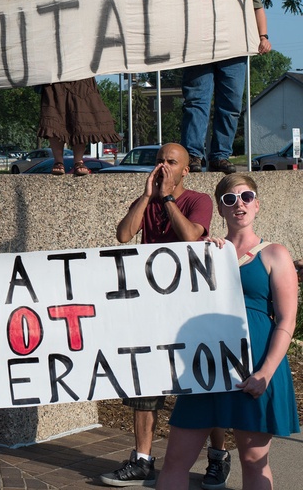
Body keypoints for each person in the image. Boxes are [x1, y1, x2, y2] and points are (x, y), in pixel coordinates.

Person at [156, 174, 300, 490]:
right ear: (220, 210)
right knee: (175, 461)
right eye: (229, 199)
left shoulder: (275, 254)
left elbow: (286, 321)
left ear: (257, 204)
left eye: (246, 197)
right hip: (206, 368)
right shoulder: (204, 254)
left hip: (257, 367)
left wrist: (265, 372)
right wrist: (201, 260)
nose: (239, 205)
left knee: (253, 462)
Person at [100, 143, 216, 487]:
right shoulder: (149, 201)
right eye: (158, 161)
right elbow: (124, 234)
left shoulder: (198, 201)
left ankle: (217, 457)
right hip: (152, 308)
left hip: (190, 309)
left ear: (186, 171)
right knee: (145, 385)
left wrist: (167, 200)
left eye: (171, 162)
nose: (163, 166)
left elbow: (192, 238)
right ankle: (142, 459)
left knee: (202, 385)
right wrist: (147, 196)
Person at [182, 0, 272, 175]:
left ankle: (220, 155)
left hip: (234, 48)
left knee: (230, 104)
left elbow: (257, 7)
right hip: (199, 46)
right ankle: (193, 156)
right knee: (196, 101)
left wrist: (263, 36)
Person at [37, 77, 120, 176]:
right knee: (54, 118)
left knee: (81, 120)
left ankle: (78, 161)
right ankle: (58, 161)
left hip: (80, 73)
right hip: (54, 74)